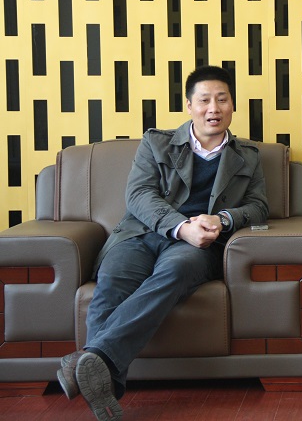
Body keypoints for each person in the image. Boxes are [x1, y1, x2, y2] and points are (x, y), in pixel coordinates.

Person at [56, 65, 269, 421]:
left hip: (197, 247)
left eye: (222, 99)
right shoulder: (156, 143)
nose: (213, 108)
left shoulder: (247, 155)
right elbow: (139, 194)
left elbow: (259, 206)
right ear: (189, 106)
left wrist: (222, 219)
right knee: (112, 278)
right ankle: (103, 379)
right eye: (204, 100)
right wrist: (181, 226)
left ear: (232, 105)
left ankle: (91, 360)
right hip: (141, 234)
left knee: (174, 272)